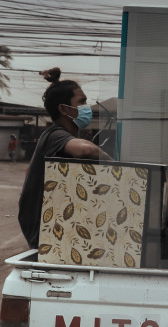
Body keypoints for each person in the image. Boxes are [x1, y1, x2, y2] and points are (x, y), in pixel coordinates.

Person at [17, 67, 112, 248]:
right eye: (82, 102)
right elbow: (86, 150)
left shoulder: (59, 136)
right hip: (45, 235)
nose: (87, 108)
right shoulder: (55, 135)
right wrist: (115, 165)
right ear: (63, 108)